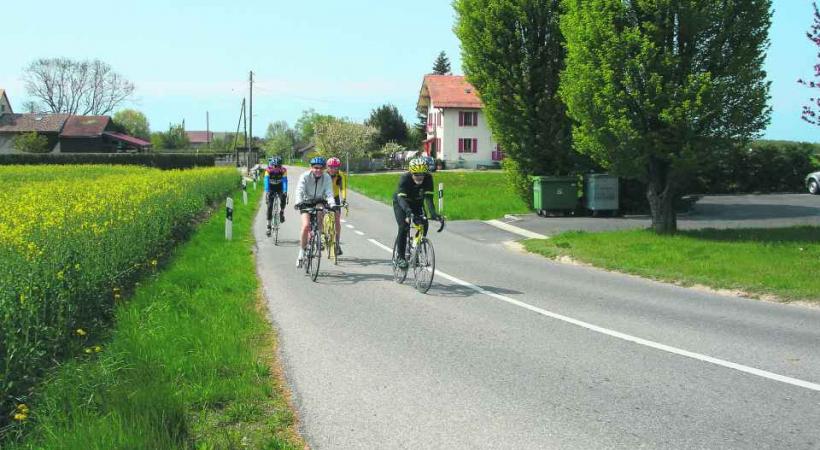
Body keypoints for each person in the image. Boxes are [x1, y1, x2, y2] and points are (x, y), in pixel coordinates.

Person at [392, 157, 441, 269]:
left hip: (416, 202)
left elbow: (428, 198)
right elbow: (401, 199)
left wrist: (434, 214)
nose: (419, 177)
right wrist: (408, 212)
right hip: (401, 203)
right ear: (411, 172)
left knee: (424, 223)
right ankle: (400, 258)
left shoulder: (428, 178)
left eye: (422, 174)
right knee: (404, 226)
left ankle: (416, 246)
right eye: (416, 174)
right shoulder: (405, 178)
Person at [294, 156, 336, 267]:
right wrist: (298, 202)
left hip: (319, 201)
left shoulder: (326, 177)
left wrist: (332, 204)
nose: (318, 170)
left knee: (320, 211)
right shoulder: (305, 176)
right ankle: (301, 252)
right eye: (316, 167)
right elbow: (299, 189)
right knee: (306, 226)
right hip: (306, 202)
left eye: (321, 168)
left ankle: (319, 235)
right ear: (311, 167)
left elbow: (329, 192)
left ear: (324, 168)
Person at [326, 157, 347, 256]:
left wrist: (344, 199)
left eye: (336, 167)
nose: (333, 169)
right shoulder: (324, 174)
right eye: (331, 167)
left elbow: (343, 188)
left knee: (337, 220)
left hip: (335, 197)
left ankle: (337, 244)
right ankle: (321, 236)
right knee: (320, 215)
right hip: (324, 197)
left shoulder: (341, 175)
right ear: (327, 167)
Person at [264, 156, 288, 236]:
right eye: (275, 166)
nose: (277, 168)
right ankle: (268, 226)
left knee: (283, 197)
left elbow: (284, 181)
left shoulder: (283, 170)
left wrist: (285, 191)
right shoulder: (268, 170)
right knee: (270, 206)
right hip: (271, 188)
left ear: (280, 165)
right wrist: (267, 191)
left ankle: (281, 212)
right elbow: (266, 181)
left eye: (278, 166)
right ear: (272, 165)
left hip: (280, 187)